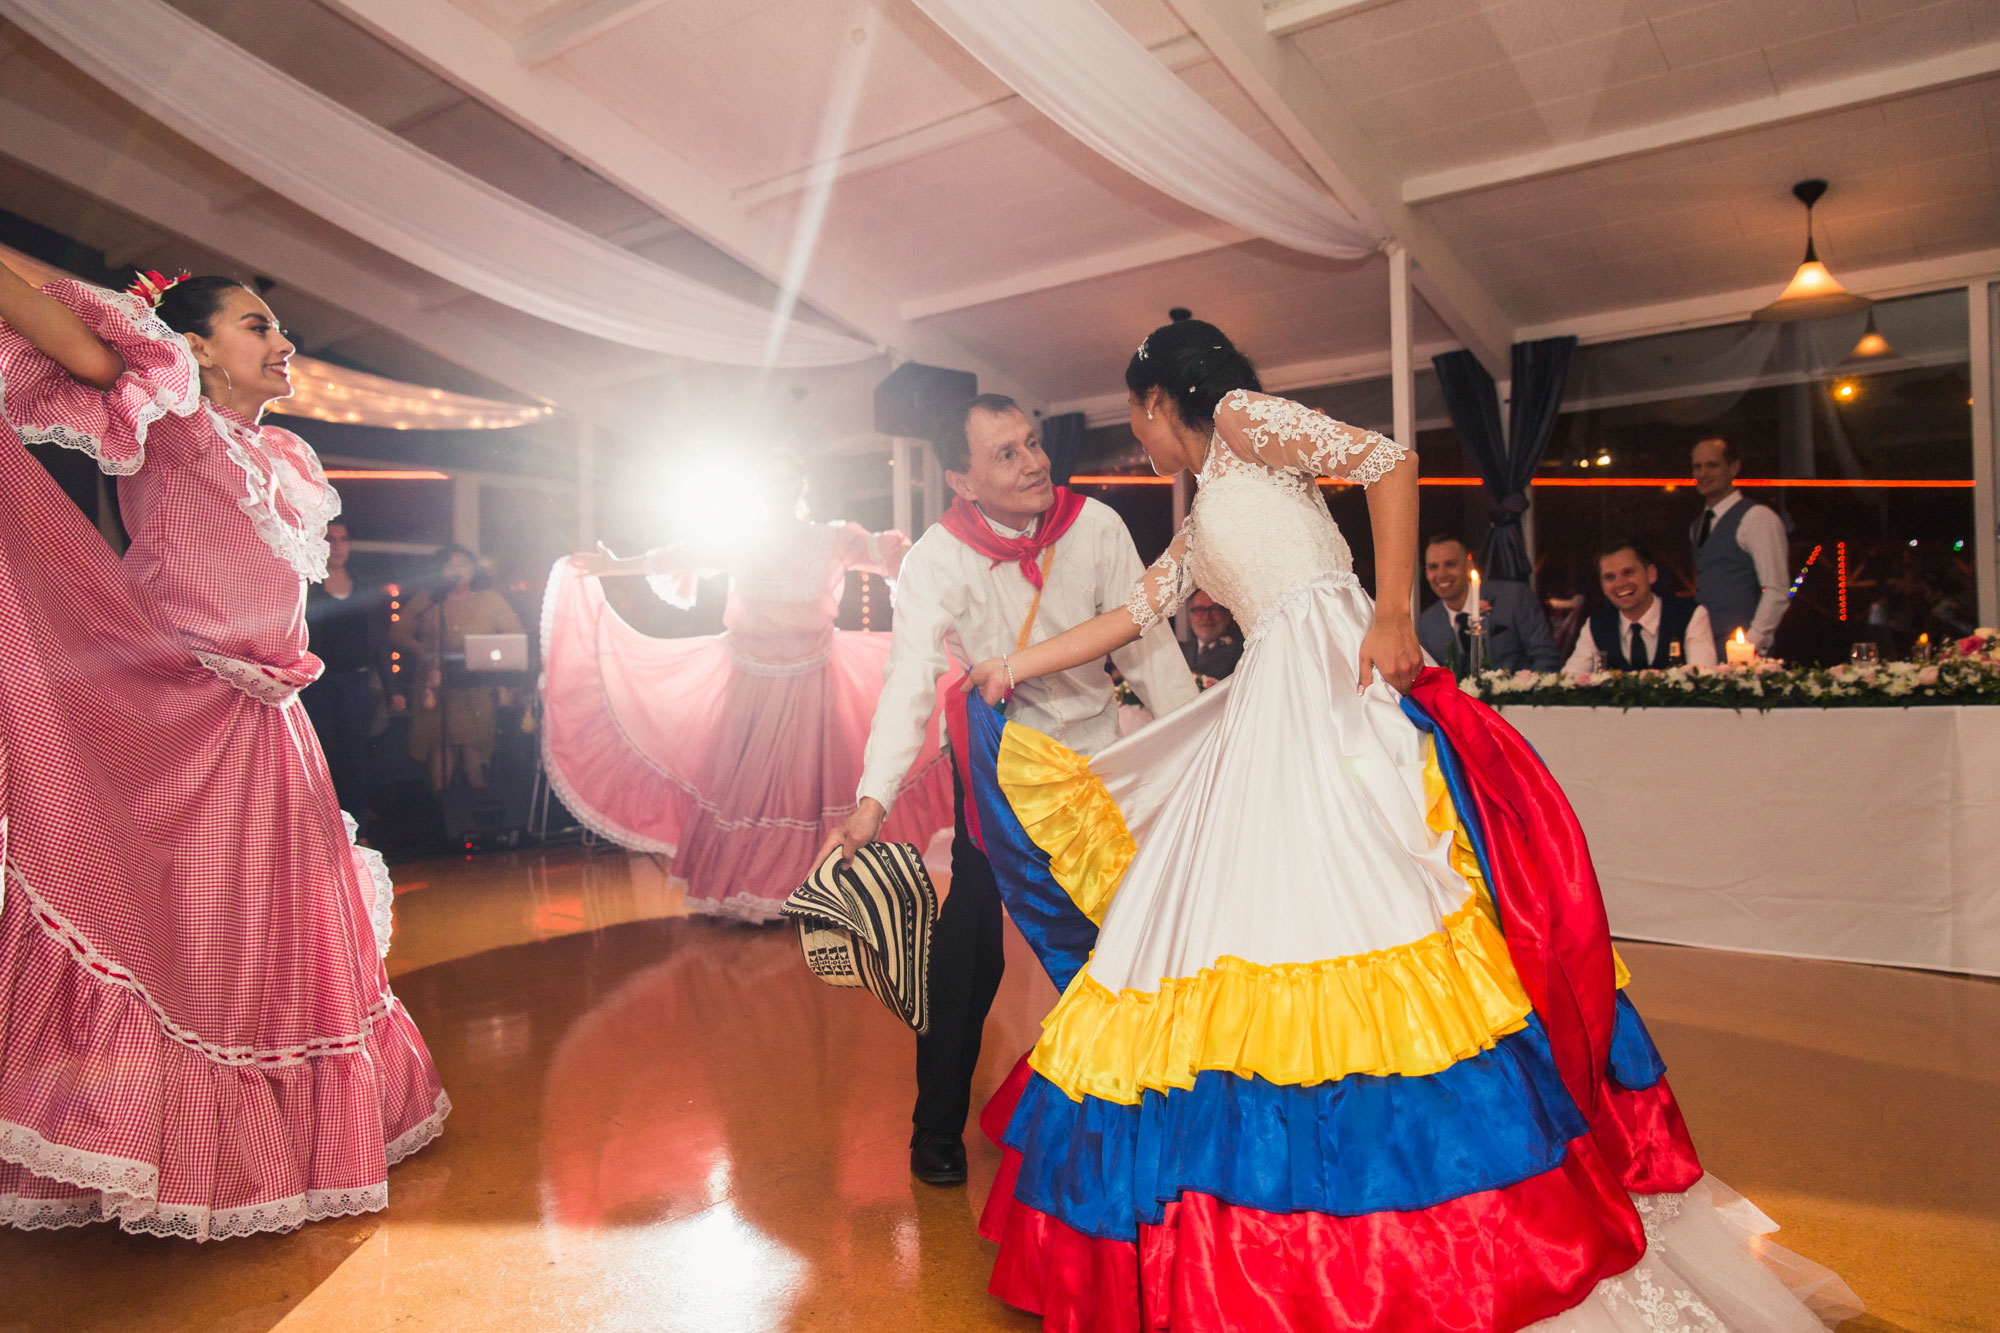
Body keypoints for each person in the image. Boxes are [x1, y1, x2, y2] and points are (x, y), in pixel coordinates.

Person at [958, 318, 1856, 1330]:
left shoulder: (1247, 423)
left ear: (1161, 402)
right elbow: (1131, 615)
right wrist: (1011, 668)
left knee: (1382, 903)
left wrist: (1392, 610)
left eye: (1136, 417)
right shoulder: (1201, 517)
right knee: (1258, 929)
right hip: (1271, 710)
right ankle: (1306, 1225)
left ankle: (1445, 1205)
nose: (1139, 436)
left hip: (1336, 681)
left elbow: (1388, 461)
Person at [0, 265, 446, 1237]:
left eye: (279, 326)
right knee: (185, 939)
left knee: (274, 945)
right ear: (196, 345)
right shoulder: (163, 404)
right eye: (258, 325)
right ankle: (161, 1142)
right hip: (183, 716)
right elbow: (60, 331)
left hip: (272, 724)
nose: (281, 342)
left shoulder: (281, 449)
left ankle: (278, 1140)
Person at [819, 393, 1197, 1188]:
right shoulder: (934, 558)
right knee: (968, 954)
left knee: (1120, 941)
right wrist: (871, 801)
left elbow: (1149, 650)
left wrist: (1198, 741)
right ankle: (935, 1129)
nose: (1033, 463)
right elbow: (908, 685)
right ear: (961, 479)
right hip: (994, 775)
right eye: (1006, 454)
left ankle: (1132, 1111)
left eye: (1032, 443)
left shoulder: (1095, 528)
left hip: (1094, 767)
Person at [544, 452, 953, 922]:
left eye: (786, 479)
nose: (778, 487)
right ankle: (751, 891)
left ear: (801, 485)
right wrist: (614, 567)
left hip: (814, 684)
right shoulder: (739, 541)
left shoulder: (833, 537)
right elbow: (679, 556)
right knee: (747, 791)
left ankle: (825, 892)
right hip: (748, 685)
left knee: (810, 790)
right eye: (769, 480)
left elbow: (898, 557)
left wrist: (955, 560)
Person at [393, 543, 524, 791]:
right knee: (441, 747)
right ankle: (443, 810)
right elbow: (398, 632)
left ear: (473, 570)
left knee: (473, 746)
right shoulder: (428, 599)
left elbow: (514, 634)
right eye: (450, 566)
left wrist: (490, 656)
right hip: (437, 683)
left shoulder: (491, 600)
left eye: (463, 565)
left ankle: (476, 808)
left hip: (476, 684)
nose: (457, 570)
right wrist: (424, 651)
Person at [301, 520, 400, 836]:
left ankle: (357, 831)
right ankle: (313, 831)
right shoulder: (309, 585)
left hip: (356, 682)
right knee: (315, 757)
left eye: (344, 539)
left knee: (353, 757)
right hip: (317, 683)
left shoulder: (363, 585)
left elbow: (379, 642)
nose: (338, 546)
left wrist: (392, 687)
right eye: (331, 539)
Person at [1691, 435, 1789, 655]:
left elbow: (1777, 590)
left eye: (1712, 465)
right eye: (1697, 467)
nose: (1702, 473)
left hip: (1743, 653)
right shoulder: (1697, 525)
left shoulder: (1757, 517)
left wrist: (1749, 645)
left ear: (1734, 468)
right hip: (1706, 647)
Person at [1564, 540, 1719, 675]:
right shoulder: (1596, 625)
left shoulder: (1690, 616)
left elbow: (1704, 681)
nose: (1620, 583)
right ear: (1602, 586)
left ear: (1651, 574)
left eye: (1628, 572)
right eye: (1610, 577)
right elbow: (1569, 681)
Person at [1417, 534, 1561, 673]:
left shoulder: (1514, 597)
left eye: (1450, 564)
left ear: (1468, 565)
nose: (1441, 574)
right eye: (1433, 567)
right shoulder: (1426, 623)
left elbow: (1546, 658)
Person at [1179, 588, 1241, 679]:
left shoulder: (1240, 653)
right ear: (1190, 616)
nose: (1206, 616)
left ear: (1227, 615)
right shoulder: (1179, 651)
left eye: (1214, 609)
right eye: (1199, 610)